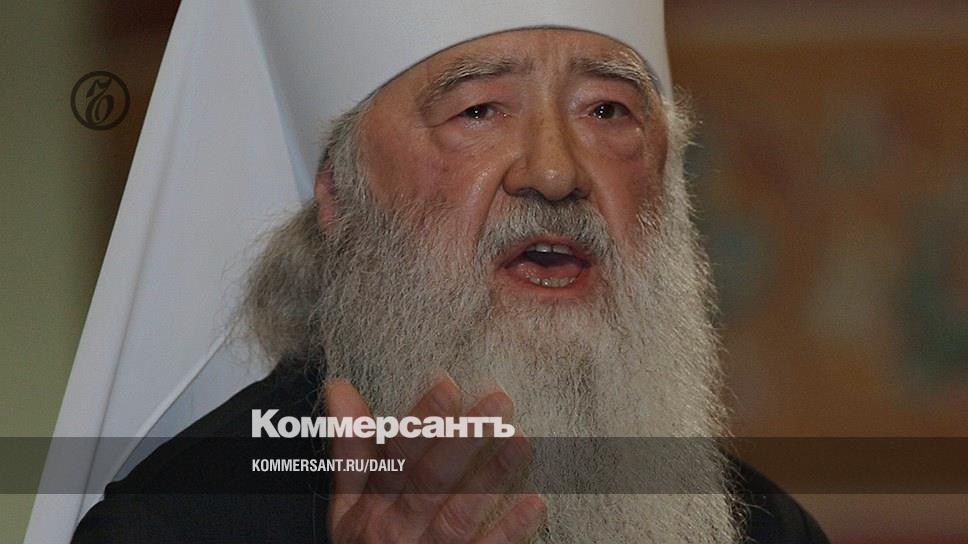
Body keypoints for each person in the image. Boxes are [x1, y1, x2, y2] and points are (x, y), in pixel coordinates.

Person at [70, 4, 829, 544]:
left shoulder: (765, 528)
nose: (556, 172)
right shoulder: (174, 525)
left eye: (607, 111)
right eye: (479, 110)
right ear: (340, 194)